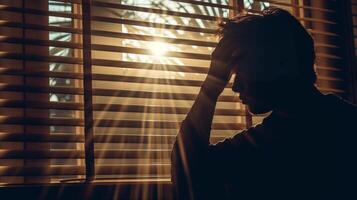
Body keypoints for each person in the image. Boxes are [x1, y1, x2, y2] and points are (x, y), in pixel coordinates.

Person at [171, 7, 357, 200]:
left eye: (241, 71)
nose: (235, 87)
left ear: (282, 63)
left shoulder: (347, 130)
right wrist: (211, 83)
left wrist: (211, 87)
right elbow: (186, 174)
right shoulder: (258, 142)